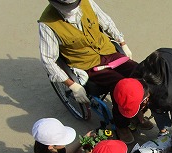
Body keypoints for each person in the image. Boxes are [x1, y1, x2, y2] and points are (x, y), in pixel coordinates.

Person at [38, 0, 152, 144]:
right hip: (87, 65)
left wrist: (123, 43)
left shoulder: (87, 2)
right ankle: (121, 126)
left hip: (109, 52)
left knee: (142, 75)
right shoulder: (47, 24)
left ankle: (136, 112)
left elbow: (107, 22)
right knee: (121, 86)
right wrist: (72, 85)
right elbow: (48, 61)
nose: (73, 9)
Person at [113, 48, 172, 135]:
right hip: (161, 61)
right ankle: (164, 132)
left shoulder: (171, 96)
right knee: (156, 108)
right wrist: (141, 118)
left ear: (145, 99)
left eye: (138, 107)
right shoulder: (131, 80)